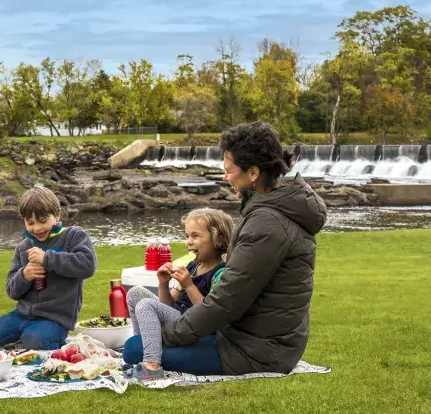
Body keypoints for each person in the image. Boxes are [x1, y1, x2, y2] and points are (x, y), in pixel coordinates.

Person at [123, 122, 327, 376]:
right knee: (140, 345)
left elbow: (227, 300)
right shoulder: (273, 209)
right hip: (254, 338)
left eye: (229, 171)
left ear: (253, 173)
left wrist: (172, 334)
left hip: (256, 351)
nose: (225, 177)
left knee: (133, 350)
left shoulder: (268, 223)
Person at [0, 186, 98, 353]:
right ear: (24, 221)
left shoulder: (73, 236)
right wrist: (24, 276)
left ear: (57, 215)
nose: (37, 228)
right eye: (30, 223)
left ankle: (41, 340)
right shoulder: (24, 247)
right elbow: (12, 291)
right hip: (21, 315)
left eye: (43, 220)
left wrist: (47, 258)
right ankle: (22, 339)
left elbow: (88, 265)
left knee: (34, 340)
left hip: (55, 319)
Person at [123, 208, 234, 381]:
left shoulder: (221, 272)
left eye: (196, 236)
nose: (189, 242)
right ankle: (142, 346)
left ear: (217, 239)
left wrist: (189, 285)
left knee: (146, 305)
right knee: (136, 293)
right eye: (187, 236)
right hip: (177, 315)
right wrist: (163, 283)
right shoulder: (192, 266)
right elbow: (167, 304)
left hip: (192, 322)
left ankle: (152, 366)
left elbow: (210, 313)